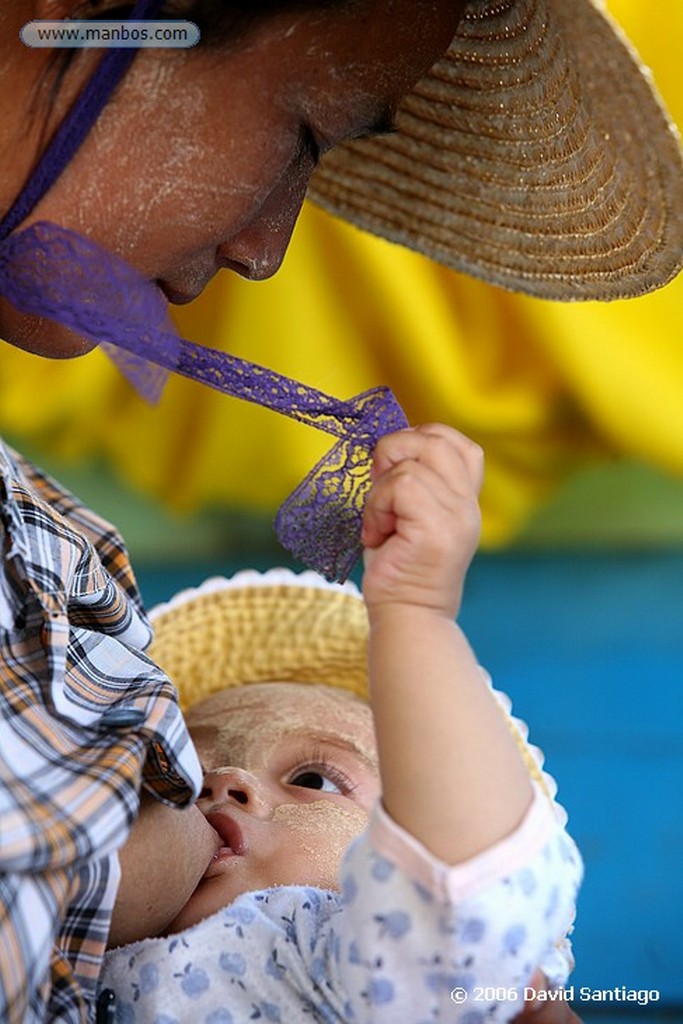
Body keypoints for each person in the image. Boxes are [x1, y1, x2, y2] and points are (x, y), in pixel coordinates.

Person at [0, 2, 680, 1023]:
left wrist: (410, 615)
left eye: (315, 781)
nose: (265, 250)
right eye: (307, 129)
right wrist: (155, 850)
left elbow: (462, 916)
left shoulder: (335, 957)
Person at [100, 424, 583, 1022]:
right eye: (180, 764)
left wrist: (415, 611)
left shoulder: (353, 957)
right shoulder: (62, 942)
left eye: (315, 779)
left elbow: (461, 890)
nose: (224, 781)